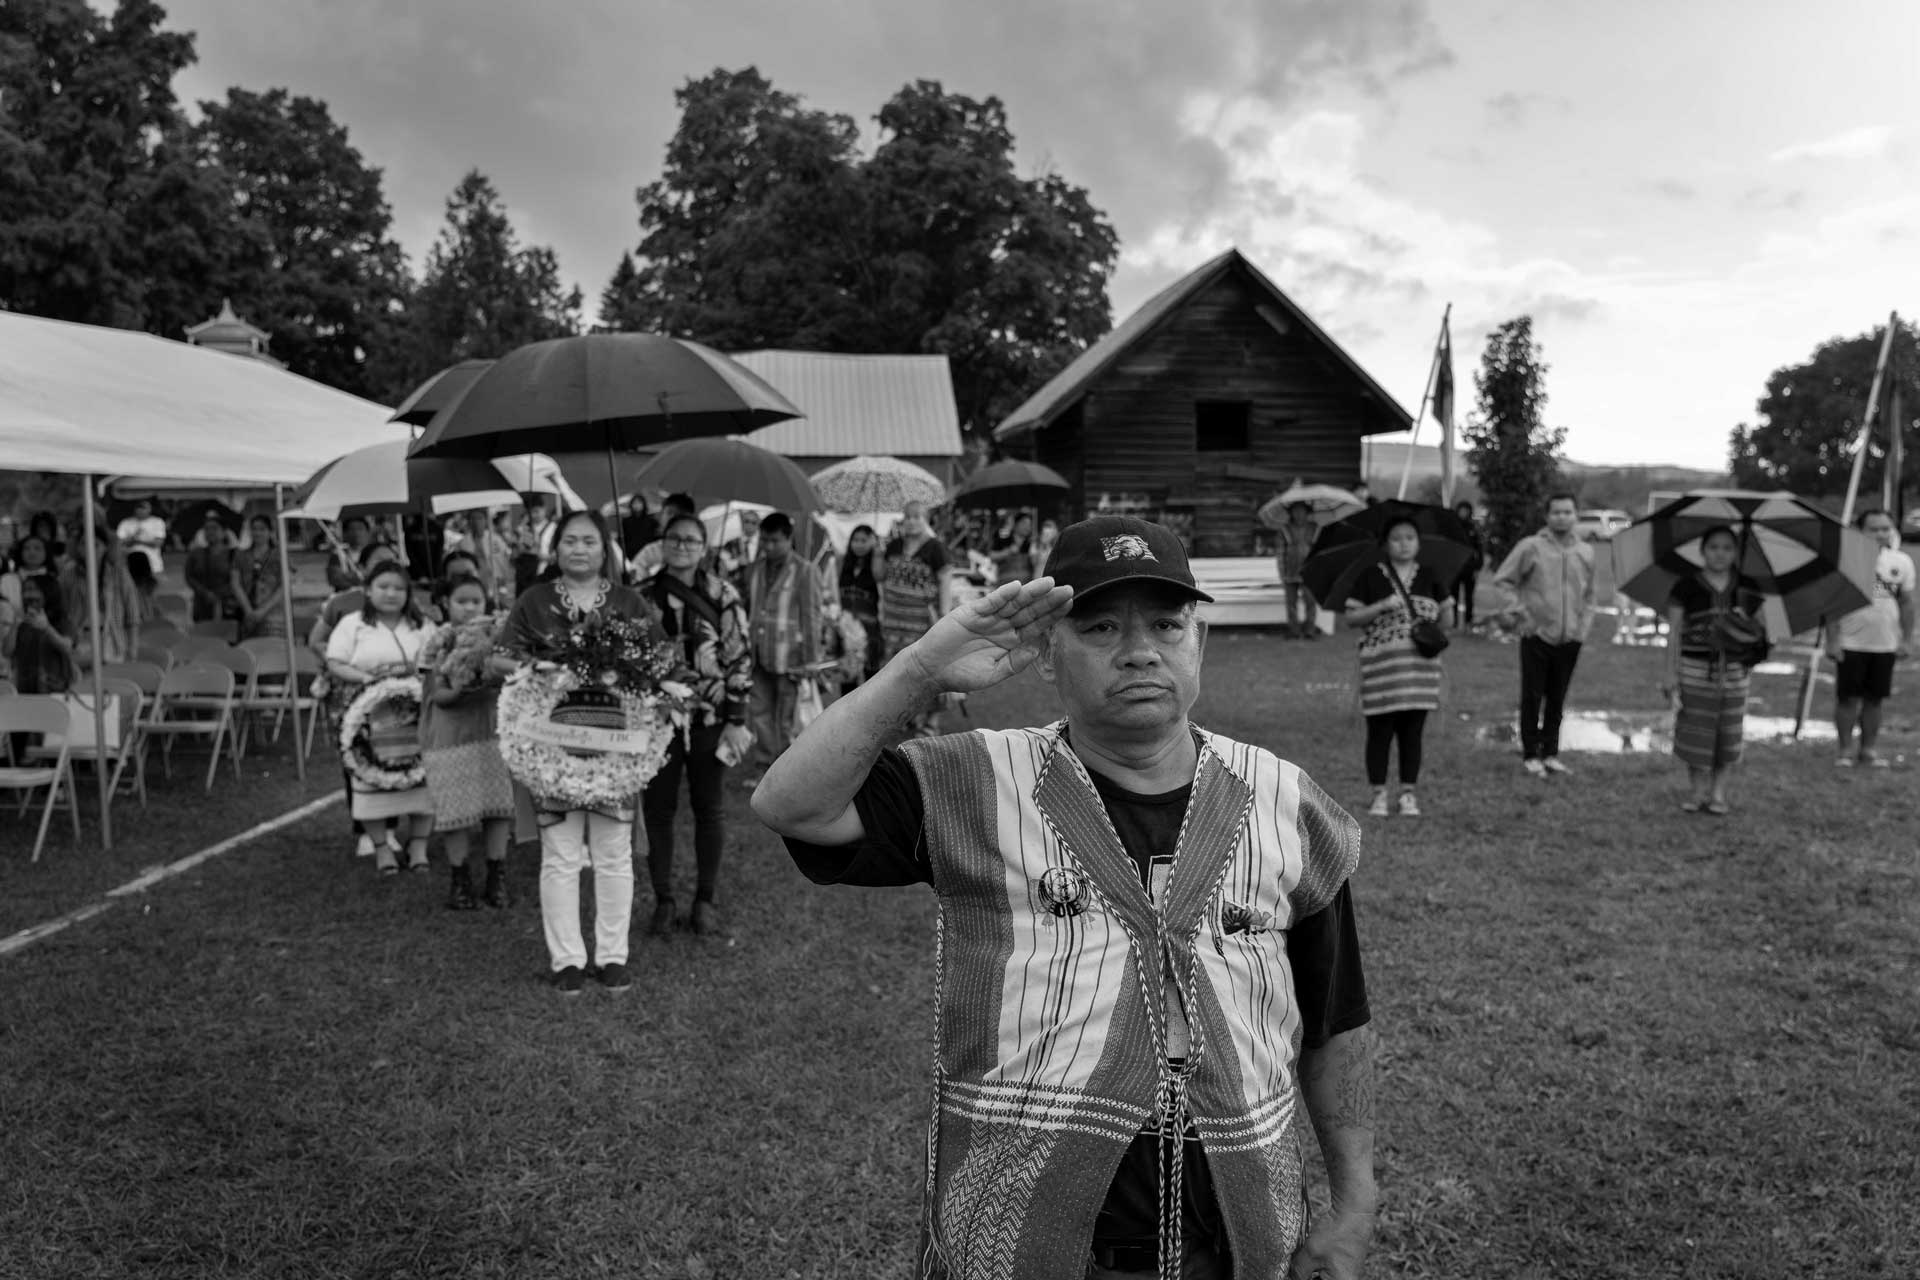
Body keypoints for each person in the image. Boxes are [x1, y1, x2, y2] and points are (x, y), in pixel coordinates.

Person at [751, 514, 1378, 1280]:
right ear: (1048, 652)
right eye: (1102, 626)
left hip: (1240, 1239)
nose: (1140, 650)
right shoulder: (975, 781)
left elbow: (1337, 1019)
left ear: (1199, 642)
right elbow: (793, 804)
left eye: (1166, 624)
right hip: (1020, 1242)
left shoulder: (1285, 802)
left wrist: (1354, 1201)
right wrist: (919, 670)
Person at [497, 508, 666, 995]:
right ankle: (566, 959)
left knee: (614, 854)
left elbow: (660, 660)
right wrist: (538, 670)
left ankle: (613, 956)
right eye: (570, 541)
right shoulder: (535, 600)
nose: (578, 549)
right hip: (554, 747)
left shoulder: (630, 602)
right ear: (556, 548)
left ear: (605, 548)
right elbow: (502, 656)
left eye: (589, 541)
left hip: (615, 749)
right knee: (561, 854)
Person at [636, 514, 755, 937]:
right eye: (674, 539)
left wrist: (735, 718)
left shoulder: (724, 594)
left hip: (710, 717)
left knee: (709, 808)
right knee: (658, 810)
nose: (682, 546)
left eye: (690, 540)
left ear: (703, 547)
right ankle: (664, 899)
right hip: (657, 720)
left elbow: (738, 657)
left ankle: (704, 899)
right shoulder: (642, 595)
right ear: (662, 544)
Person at [326, 560, 438, 873]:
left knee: (423, 781)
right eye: (383, 587)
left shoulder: (422, 625)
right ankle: (380, 848)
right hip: (369, 715)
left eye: (399, 588)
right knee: (369, 782)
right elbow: (335, 661)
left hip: (415, 715)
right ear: (368, 591)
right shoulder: (352, 623)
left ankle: (419, 847)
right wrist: (366, 680)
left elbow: (434, 661)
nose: (391, 594)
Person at [1342, 515, 1450, 817]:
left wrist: (1428, 622)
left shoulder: (1430, 574)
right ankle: (1378, 794)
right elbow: (1351, 619)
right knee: (1379, 732)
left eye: (1410, 537)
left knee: (1412, 734)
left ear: (1418, 542)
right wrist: (1381, 606)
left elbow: (1448, 619)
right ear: (1385, 544)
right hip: (1381, 672)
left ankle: (1407, 795)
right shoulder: (1369, 576)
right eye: (1397, 538)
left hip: (1420, 672)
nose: (1404, 544)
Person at [418, 575, 513, 910]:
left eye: (477, 601)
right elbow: (438, 695)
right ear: (446, 603)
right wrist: (461, 688)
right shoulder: (437, 642)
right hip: (450, 736)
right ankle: (459, 881)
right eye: (462, 601)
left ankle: (496, 877)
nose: (470, 607)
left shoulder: (500, 638)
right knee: (454, 811)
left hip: (491, 730)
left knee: (498, 806)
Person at [1663, 526, 1769, 815]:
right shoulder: (1685, 587)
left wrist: (1744, 624)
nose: (1719, 554)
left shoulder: (1747, 587)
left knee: (1728, 732)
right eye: (1713, 547)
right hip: (1694, 670)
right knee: (1695, 729)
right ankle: (1697, 792)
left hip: (1736, 673)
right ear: (1702, 550)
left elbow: (1762, 631)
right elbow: (1674, 633)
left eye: (1726, 548)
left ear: (1735, 552)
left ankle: (1718, 793)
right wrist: (1670, 674)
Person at [1493, 492, 1596, 778]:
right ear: (1547, 516)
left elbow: (1590, 595)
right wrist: (1521, 613)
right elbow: (1504, 580)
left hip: (1570, 637)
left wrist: (1582, 628)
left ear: (1576, 514)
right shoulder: (1531, 547)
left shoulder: (1585, 552)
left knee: (1558, 697)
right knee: (1532, 695)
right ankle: (1530, 753)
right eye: (1556, 512)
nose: (1562, 517)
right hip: (1537, 635)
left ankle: (1550, 752)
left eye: (1567, 512)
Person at [1829, 507, 1915, 767]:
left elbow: (1907, 604)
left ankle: (1868, 750)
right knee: (1847, 698)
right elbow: (1832, 603)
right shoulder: (1846, 560)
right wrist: (1832, 639)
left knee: (1875, 699)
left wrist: (1907, 639)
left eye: (1885, 528)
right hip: (1850, 642)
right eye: (1873, 529)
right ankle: (1845, 750)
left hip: (1885, 643)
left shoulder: (1901, 562)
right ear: (1860, 531)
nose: (1880, 534)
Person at [744, 512, 829, 770]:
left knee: (786, 719)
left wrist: (811, 660)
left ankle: (785, 768)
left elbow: (812, 617)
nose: (768, 547)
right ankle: (764, 763)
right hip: (757, 654)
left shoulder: (805, 570)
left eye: (775, 541)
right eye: (764, 540)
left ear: (789, 538)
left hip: (791, 656)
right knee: (759, 712)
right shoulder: (754, 568)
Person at [879, 501, 953, 737]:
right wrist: (876, 552)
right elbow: (880, 575)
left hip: (922, 621)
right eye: (907, 517)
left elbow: (944, 582)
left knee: (925, 669)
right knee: (897, 670)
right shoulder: (892, 546)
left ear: (926, 520)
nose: (911, 521)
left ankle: (929, 723)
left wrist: (944, 613)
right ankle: (903, 717)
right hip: (893, 621)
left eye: (917, 516)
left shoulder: (935, 548)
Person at [63, 522, 145, 668]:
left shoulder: (119, 573)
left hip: (112, 638)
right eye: (83, 544)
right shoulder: (69, 574)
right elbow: (62, 610)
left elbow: (132, 615)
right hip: (80, 639)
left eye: (95, 545)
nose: (89, 549)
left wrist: (132, 649)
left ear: (105, 547)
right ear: (78, 548)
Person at [4, 579, 77, 694]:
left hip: (55, 689)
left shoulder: (62, 620)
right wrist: (15, 625)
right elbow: (7, 651)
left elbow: (67, 647)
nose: (28, 594)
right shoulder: (23, 622)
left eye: (33, 589)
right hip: (25, 688)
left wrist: (47, 628)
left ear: (48, 593)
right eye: (25, 590)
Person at [836, 524, 885, 693]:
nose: (859, 544)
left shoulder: (877, 564)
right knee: (847, 679)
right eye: (855, 540)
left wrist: (877, 553)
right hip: (846, 630)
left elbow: (880, 578)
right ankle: (848, 718)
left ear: (872, 541)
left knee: (872, 680)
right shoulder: (842, 563)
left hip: (870, 632)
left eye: (864, 540)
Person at [231, 514, 287, 640]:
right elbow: (235, 583)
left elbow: (284, 586)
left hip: (273, 614)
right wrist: (248, 610)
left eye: (262, 529)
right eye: (254, 529)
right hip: (247, 612)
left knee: (271, 652)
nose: (257, 533)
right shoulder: (241, 555)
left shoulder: (279, 555)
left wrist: (263, 611)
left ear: (270, 532)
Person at [1274, 500, 1319, 639]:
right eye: (1295, 511)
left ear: (1307, 512)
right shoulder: (1284, 530)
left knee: (1310, 602)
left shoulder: (1315, 528)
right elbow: (1280, 552)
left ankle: (1309, 630)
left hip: (1310, 571)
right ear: (1291, 513)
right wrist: (1281, 572)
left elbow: (1320, 551)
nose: (1299, 514)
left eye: (1302, 511)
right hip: (1290, 572)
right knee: (1291, 603)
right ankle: (1294, 630)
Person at [627, 492, 697, 581]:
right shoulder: (651, 551)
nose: (672, 518)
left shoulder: (698, 551)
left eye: (678, 514)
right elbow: (635, 576)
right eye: (669, 513)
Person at [184, 511, 238, 624]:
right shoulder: (196, 554)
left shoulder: (234, 554)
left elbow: (239, 579)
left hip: (228, 605)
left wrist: (219, 594)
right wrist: (205, 593)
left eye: (214, 528)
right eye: (207, 529)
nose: (210, 532)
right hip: (202, 605)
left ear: (224, 532)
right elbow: (189, 576)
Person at [115, 499, 168, 578]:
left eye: (144, 508)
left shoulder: (157, 522)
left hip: (152, 564)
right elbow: (119, 542)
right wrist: (134, 537)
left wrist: (138, 541)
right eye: (139, 508)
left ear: (149, 509)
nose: (141, 510)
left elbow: (158, 543)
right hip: (130, 563)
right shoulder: (126, 522)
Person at [1451, 500, 1483, 629]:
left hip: (1469, 568)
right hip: (1455, 567)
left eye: (1466, 510)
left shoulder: (1473, 528)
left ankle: (1468, 621)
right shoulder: (1453, 528)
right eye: (1461, 510)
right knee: (1454, 596)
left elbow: (1479, 549)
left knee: (1469, 597)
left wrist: (1478, 567)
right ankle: (1453, 622)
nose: (1463, 513)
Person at [327, 516, 375, 593]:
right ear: (345, 533)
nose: (356, 533)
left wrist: (349, 576)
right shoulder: (338, 554)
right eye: (352, 529)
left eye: (360, 529)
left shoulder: (376, 552)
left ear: (368, 532)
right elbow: (335, 579)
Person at [988, 511, 1036, 583]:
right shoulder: (1003, 540)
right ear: (1016, 524)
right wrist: (1008, 551)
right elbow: (992, 556)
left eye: (1029, 524)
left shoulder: (1031, 544)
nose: (1027, 527)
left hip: (1025, 585)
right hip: (1005, 583)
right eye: (1024, 523)